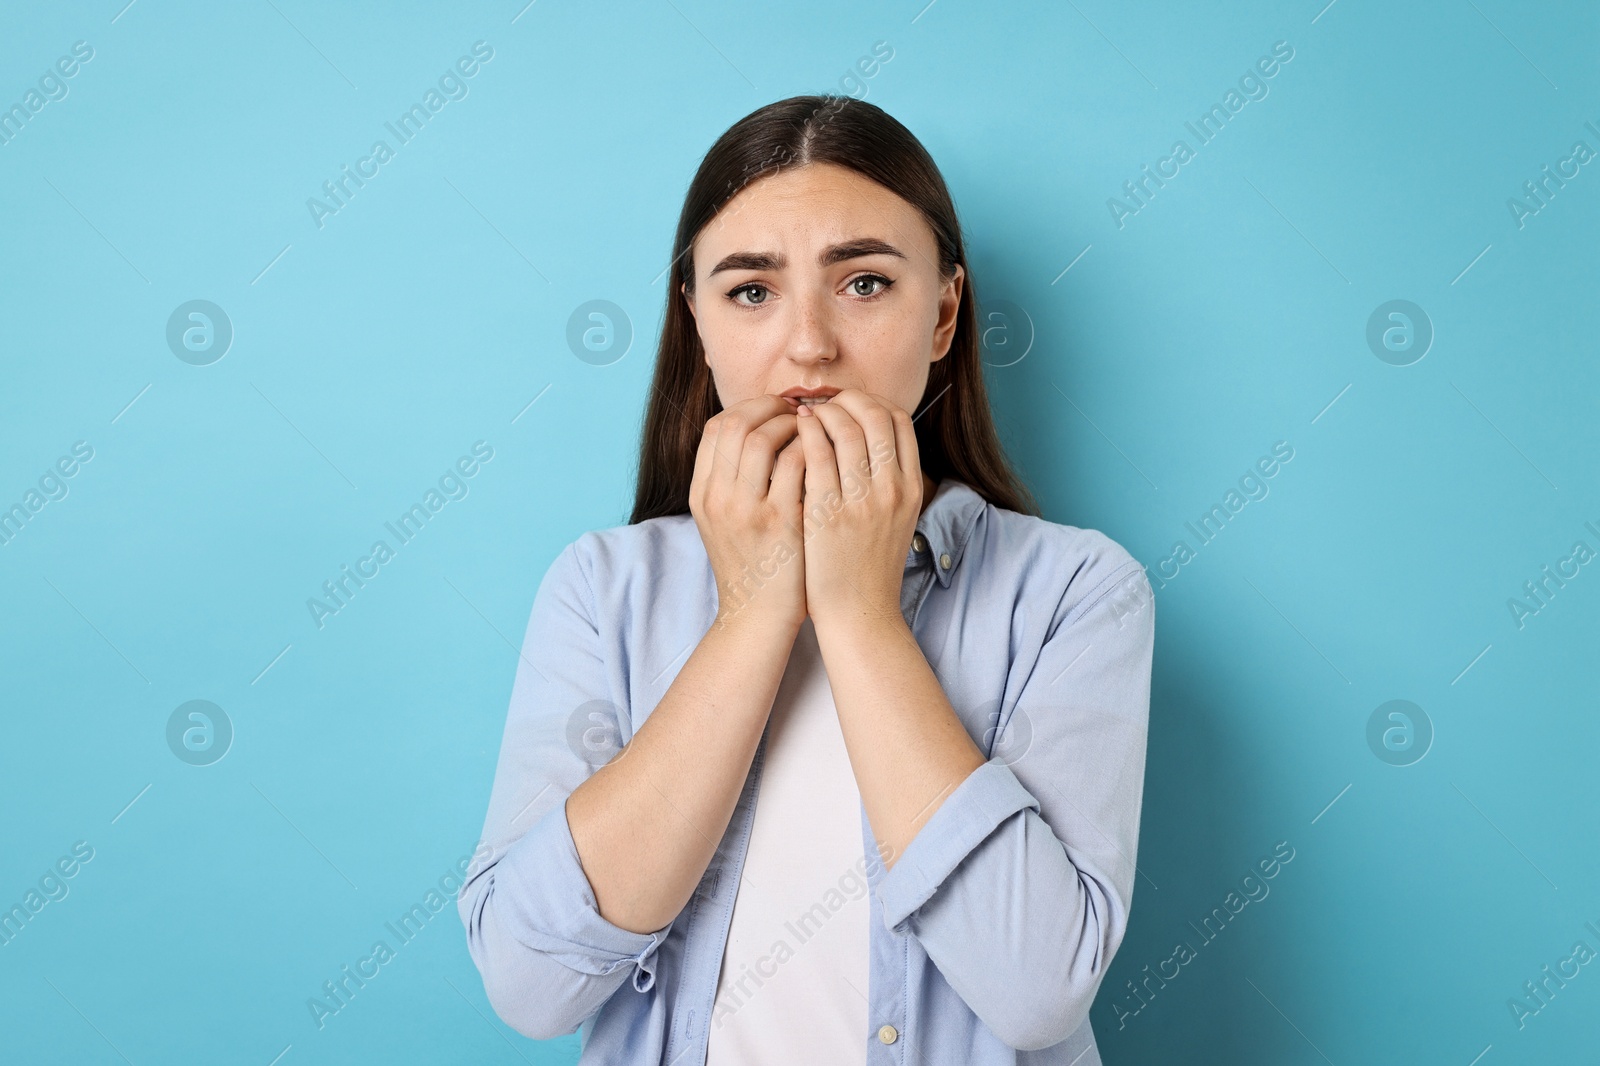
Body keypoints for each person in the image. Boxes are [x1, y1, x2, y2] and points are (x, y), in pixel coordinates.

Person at [457, 94, 1156, 1065]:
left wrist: (861, 613)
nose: (809, 345)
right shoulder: (600, 588)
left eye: (864, 283)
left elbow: (1037, 988)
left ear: (945, 312)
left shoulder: (1077, 591)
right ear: (694, 321)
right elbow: (531, 985)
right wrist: (752, 611)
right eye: (751, 291)